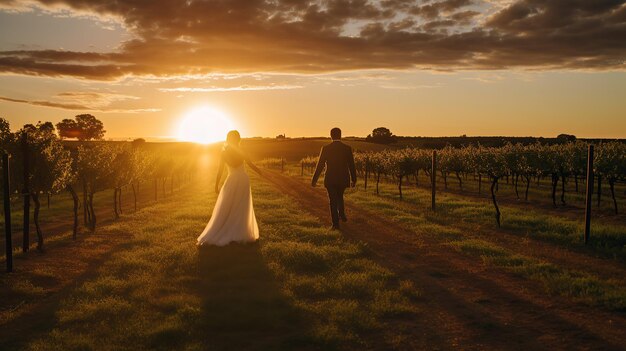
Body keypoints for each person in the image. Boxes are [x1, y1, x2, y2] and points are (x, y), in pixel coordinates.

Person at [197, 130, 262, 246]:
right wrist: (259, 171)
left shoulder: (224, 152)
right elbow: (250, 164)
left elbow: (220, 170)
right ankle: (240, 233)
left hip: (231, 181)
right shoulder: (241, 150)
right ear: (238, 139)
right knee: (241, 207)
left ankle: (229, 231)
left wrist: (216, 184)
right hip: (243, 180)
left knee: (227, 207)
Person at [311, 127, 357, 230]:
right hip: (343, 178)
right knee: (340, 196)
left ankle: (335, 224)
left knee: (333, 200)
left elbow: (320, 165)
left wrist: (314, 180)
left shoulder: (326, 148)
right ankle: (342, 214)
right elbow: (351, 165)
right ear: (340, 135)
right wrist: (354, 179)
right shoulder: (347, 148)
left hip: (330, 179)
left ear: (331, 136)